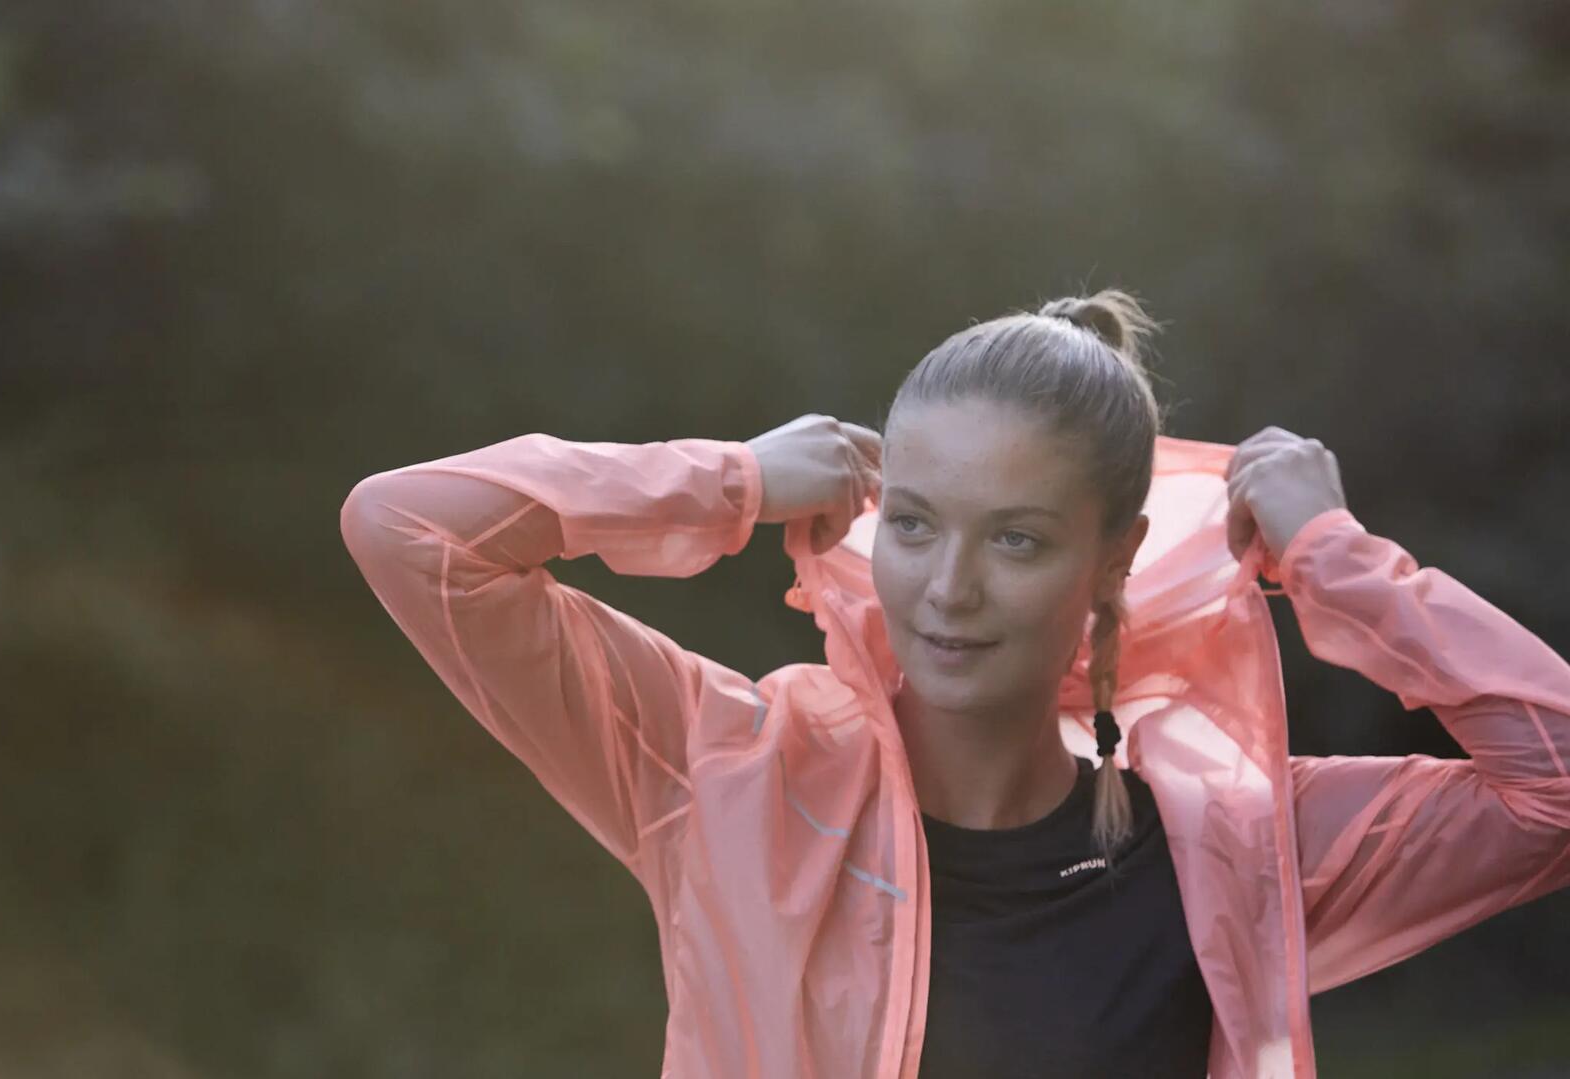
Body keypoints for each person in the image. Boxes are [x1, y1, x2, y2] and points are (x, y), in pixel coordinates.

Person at [338, 290, 1570, 1078]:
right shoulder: (728, 770)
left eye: (1018, 539)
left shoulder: (1229, 846)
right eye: (917, 525)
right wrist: (729, 480)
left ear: (1113, 561)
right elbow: (410, 531)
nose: (947, 588)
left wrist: (1334, 557)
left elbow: (1553, 790)